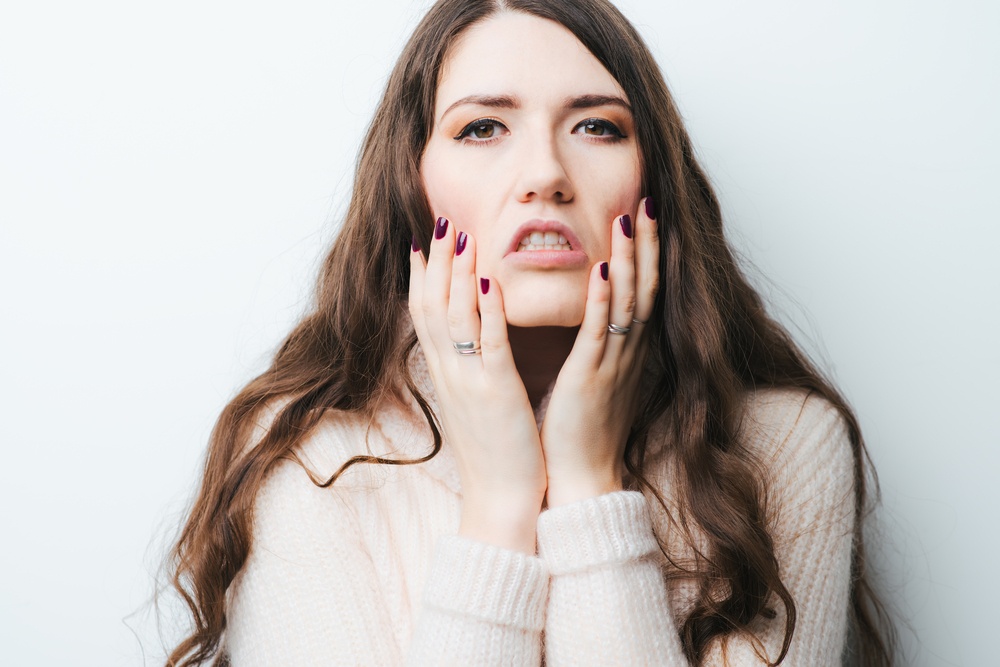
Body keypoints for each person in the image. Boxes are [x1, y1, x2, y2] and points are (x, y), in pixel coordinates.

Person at [165, 0, 896, 665]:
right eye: (483, 127)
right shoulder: (306, 458)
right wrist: (500, 503)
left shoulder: (786, 444)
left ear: (654, 186)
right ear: (410, 182)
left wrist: (588, 484)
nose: (545, 173)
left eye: (597, 126)